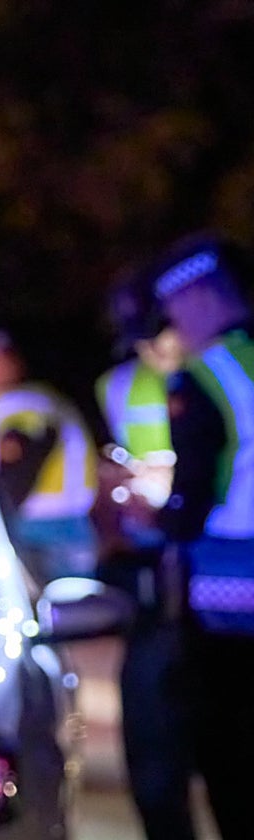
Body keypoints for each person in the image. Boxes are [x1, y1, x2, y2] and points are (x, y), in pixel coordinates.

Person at [152, 231, 254, 840]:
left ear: (204, 299)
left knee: (228, 744)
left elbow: (194, 490)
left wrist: (157, 522)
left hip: (229, 593)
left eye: (180, 310)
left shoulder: (203, 376)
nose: (176, 326)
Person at [92, 268, 196, 840]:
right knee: (155, 729)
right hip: (153, 567)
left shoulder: (211, 380)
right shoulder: (121, 385)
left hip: (202, 570)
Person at [0, 326, 99, 584]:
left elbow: (18, 471)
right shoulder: (27, 400)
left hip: (41, 535)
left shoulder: (17, 405)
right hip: (59, 530)